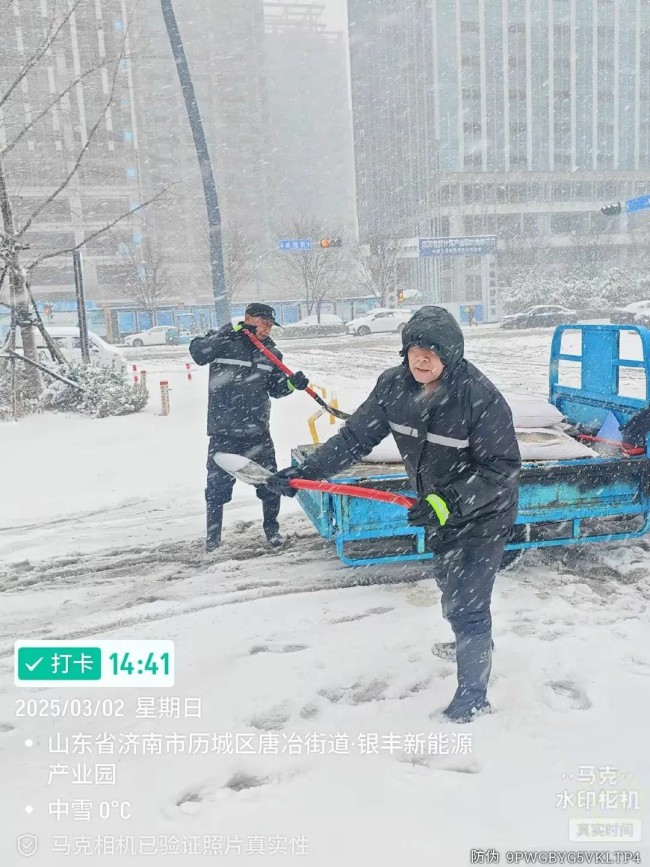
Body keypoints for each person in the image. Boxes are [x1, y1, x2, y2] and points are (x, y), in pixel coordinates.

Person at [265, 306, 521, 723]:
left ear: (451, 354)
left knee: (468, 604)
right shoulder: (393, 387)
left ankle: (473, 696)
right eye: (414, 349)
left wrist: (448, 502)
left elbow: (502, 469)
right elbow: (354, 438)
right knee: (451, 587)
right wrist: (306, 472)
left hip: (481, 514)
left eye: (432, 352)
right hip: (436, 510)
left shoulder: (479, 397)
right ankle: (475, 645)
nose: (421, 359)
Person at [189, 302, 309, 552]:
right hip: (224, 430)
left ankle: (272, 530)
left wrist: (291, 384)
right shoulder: (225, 340)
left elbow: (276, 390)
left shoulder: (271, 352)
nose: (267, 329)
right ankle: (213, 539)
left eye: (270, 325)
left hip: (257, 430)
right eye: (263, 323)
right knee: (217, 487)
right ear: (248, 318)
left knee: (269, 482)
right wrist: (227, 334)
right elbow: (198, 352)